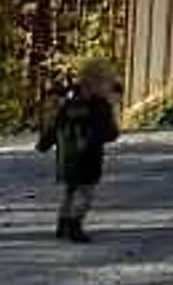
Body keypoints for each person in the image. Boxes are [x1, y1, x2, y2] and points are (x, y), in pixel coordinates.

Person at [35, 62, 122, 240]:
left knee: (71, 190)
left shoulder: (69, 103)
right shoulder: (99, 106)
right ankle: (75, 223)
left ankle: (63, 222)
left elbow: (56, 125)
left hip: (67, 157)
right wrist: (109, 133)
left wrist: (45, 142)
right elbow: (109, 131)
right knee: (85, 192)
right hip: (89, 155)